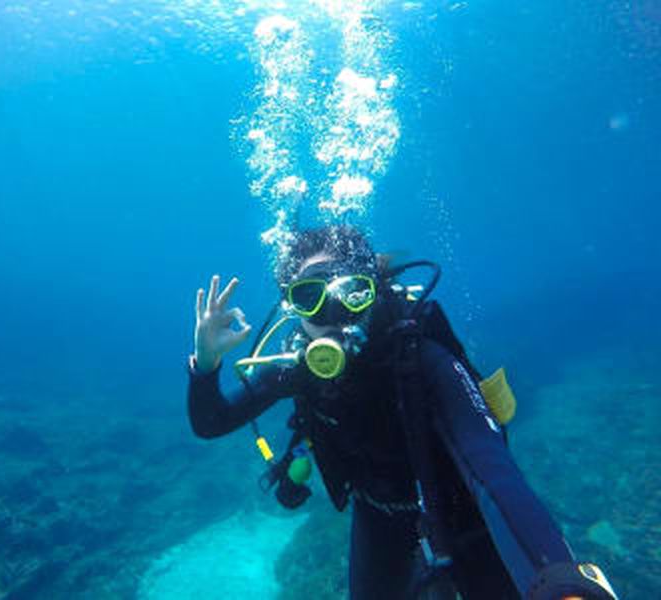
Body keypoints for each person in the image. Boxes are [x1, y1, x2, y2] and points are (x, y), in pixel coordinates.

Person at [187, 225, 617, 600]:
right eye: (310, 297)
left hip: (464, 516)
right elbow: (211, 422)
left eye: (350, 292)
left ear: (373, 290)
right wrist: (205, 367)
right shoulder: (296, 373)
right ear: (292, 309)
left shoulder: (420, 358)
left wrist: (561, 581)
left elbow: (493, 471)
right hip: (379, 518)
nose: (333, 315)